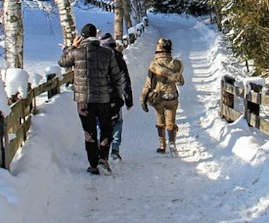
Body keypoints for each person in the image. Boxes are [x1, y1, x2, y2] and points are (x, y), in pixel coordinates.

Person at [58, 23, 126, 175]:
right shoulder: (107, 53)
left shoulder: (77, 53)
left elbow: (62, 62)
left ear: (82, 37)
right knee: (106, 129)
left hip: (84, 101)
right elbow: (116, 76)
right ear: (95, 36)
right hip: (104, 99)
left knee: (89, 131)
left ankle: (93, 164)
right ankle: (103, 157)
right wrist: (118, 95)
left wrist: (71, 47)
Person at [139, 38, 184, 153]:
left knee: (160, 119)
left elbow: (148, 84)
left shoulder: (154, 64)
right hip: (172, 96)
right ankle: (172, 143)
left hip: (158, 96)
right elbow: (181, 82)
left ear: (160, 47)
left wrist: (143, 99)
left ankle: (162, 145)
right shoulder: (176, 64)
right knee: (171, 121)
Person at [100, 33, 133, 160]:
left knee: (101, 123)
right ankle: (115, 149)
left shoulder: (98, 58)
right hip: (115, 96)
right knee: (118, 122)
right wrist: (128, 99)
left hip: (101, 97)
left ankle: (101, 148)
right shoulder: (119, 59)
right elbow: (125, 80)